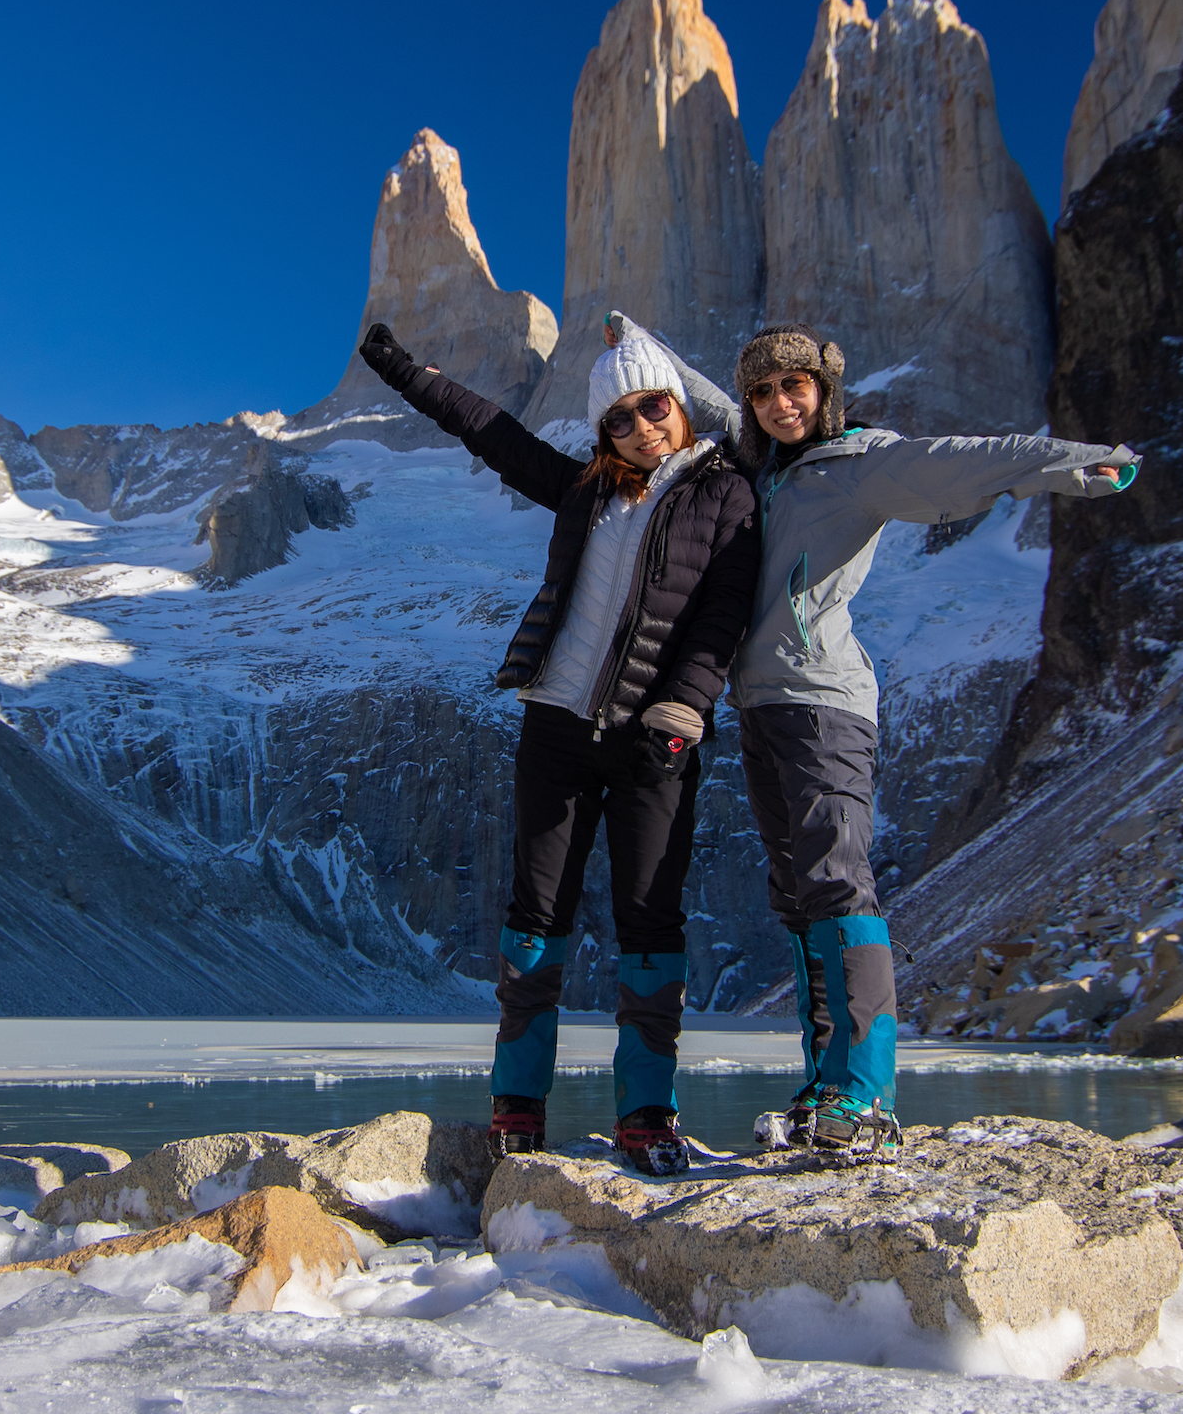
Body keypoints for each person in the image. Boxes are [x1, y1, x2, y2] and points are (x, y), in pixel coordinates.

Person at [357, 311, 758, 1175]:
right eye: (620, 417)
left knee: (650, 921)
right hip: (556, 726)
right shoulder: (586, 488)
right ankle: (517, 1105)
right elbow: (494, 434)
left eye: (654, 407)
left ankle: (648, 1111)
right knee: (535, 920)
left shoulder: (728, 494)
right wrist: (406, 374)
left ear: (680, 403)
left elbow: (723, 614)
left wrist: (685, 709)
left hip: (660, 741)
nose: (641, 427)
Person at [728, 324, 1140, 1157]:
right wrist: (639, 348)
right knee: (801, 897)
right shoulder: (770, 472)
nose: (781, 404)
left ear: (826, 389)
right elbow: (705, 401)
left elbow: (956, 461)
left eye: (796, 386)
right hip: (762, 707)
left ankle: (869, 1096)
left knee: (839, 885)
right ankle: (823, 1091)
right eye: (764, 392)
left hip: (822, 702)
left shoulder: (859, 462)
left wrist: (1067, 463)